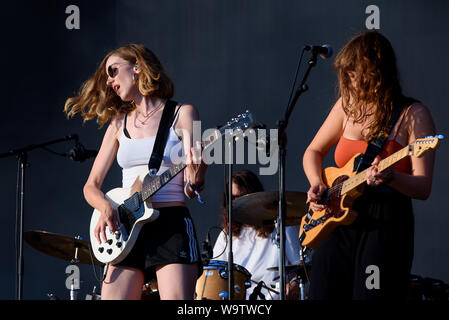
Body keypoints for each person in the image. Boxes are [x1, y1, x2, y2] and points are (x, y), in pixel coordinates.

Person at [64, 44, 207, 300]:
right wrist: (106, 208)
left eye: (113, 71)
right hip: (125, 226)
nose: (109, 81)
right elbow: (91, 186)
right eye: (107, 76)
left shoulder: (182, 113)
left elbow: (191, 187)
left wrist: (196, 177)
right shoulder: (118, 123)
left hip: (170, 223)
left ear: (137, 67)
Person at [302, 31, 436, 300]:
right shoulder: (346, 106)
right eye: (347, 73)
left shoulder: (413, 114)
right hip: (337, 216)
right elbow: (313, 151)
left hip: (384, 221)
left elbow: (423, 187)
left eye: (356, 72)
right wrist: (317, 182)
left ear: (376, 72)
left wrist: (391, 178)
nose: (350, 79)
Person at [212, 170, 302, 300]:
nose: (236, 203)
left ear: (255, 196)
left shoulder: (282, 227)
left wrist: (295, 284)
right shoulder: (226, 235)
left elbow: (302, 269)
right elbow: (215, 276)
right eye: (233, 198)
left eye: (242, 197)